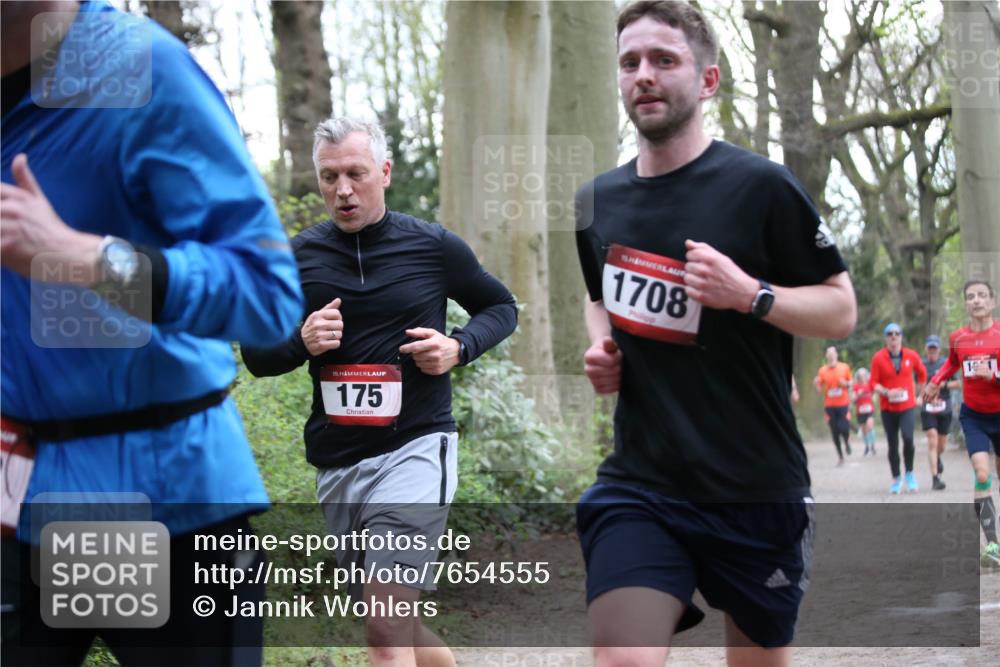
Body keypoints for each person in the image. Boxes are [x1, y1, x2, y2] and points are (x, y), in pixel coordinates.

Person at [1, 2, 303, 666]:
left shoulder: (142, 69)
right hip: (17, 502)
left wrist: (85, 258)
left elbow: (268, 294)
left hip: (161, 498)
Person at [574, 2, 856, 664]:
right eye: (630, 62)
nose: (643, 74)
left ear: (707, 81)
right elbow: (598, 295)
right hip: (641, 481)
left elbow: (840, 309)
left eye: (664, 60)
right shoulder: (594, 203)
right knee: (622, 656)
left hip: (754, 485)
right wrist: (603, 345)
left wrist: (749, 294)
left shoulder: (762, 187)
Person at [241, 117, 517, 667]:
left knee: (385, 629)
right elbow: (256, 357)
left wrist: (458, 348)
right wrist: (301, 342)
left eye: (355, 174)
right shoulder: (296, 259)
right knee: (400, 627)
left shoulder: (433, 247)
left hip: (416, 447)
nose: (342, 189)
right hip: (339, 462)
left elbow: (501, 307)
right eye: (329, 176)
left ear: (384, 173)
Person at [923, 280, 1000, 567]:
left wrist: (994, 377)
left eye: (982, 296)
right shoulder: (958, 337)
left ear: (991, 302)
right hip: (975, 416)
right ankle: (993, 544)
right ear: (966, 304)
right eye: (970, 297)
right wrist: (936, 381)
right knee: (982, 474)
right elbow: (951, 364)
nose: (976, 300)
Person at [870, 323, 927, 494]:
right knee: (892, 444)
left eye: (896, 333)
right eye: (889, 334)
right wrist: (887, 392)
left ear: (901, 336)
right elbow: (873, 382)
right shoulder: (878, 358)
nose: (893, 336)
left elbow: (922, 374)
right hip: (888, 408)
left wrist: (920, 395)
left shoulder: (911, 355)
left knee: (908, 438)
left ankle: (909, 473)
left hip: (907, 406)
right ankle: (896, 477)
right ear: (886, 338)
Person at [921, 335, 958, 490]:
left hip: (944, 407)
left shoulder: (946, 364)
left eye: (934, 348)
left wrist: (942, 385)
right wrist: (925, 395)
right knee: (932, 440)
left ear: (939, 349)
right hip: (928, 407)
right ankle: (935, 478)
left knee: (941, 444)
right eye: (930, 348)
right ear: (926, 349)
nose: (932, 351)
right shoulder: (921, 365)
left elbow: (957, 383)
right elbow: (918, 385)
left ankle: (937, 457)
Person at [814, 346, 853, 464]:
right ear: (826, 356)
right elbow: (819, 388)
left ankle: (846, 442)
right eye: (828, 353)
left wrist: (845, 383)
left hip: (843, 404)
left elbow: (851, 382)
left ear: (836, 355)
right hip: (830, 406)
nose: (831, 355)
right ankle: (840, 456)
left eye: (832, 353)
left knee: (844, 428)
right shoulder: (822, 370)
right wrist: (816, 383)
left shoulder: (844, 367)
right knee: (835, 431)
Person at [852, 368, 877, 456]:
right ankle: (867, 446)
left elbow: (874, 395)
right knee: (864, 430)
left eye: (864, 375)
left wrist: (873, 397)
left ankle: (873, 445)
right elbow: (853, 399)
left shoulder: (870, 385)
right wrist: (858, 395)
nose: (862, 377)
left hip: (870, 410)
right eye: (860, 376)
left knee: (870, 426)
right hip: (860, 411)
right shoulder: (856, 387)